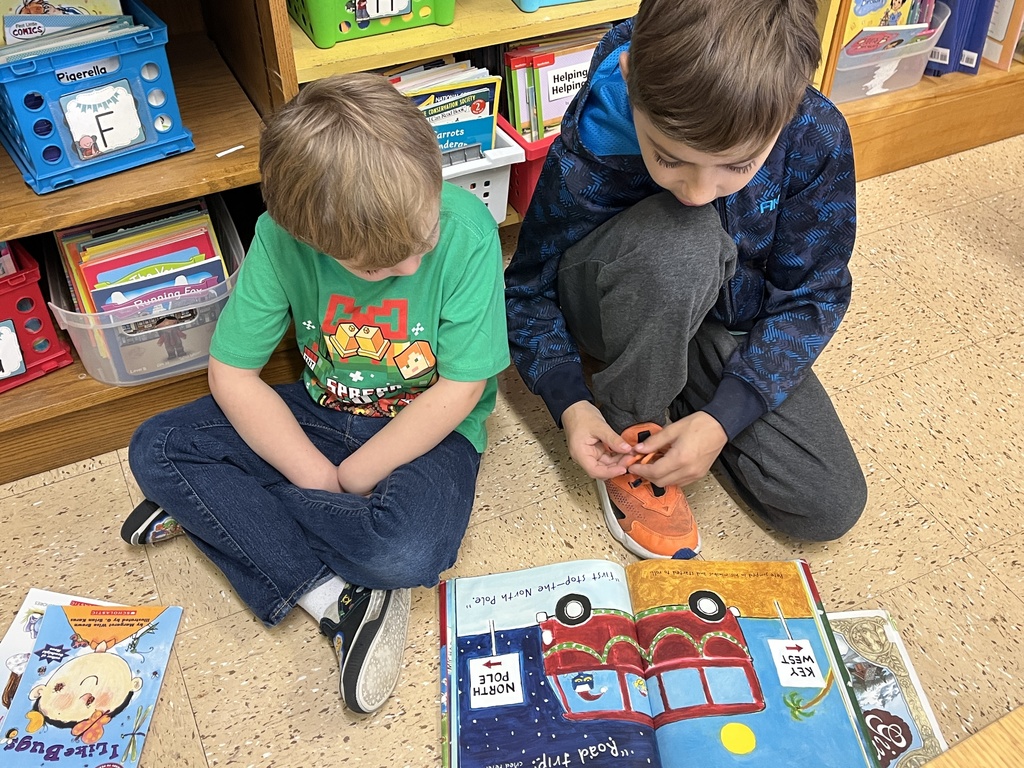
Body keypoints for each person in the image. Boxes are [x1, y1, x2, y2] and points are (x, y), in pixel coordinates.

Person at [123, 73, 509, 714]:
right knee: (157, 448)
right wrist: (315, 476)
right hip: (323, 410)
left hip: (429, 428)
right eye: (379, 269)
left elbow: (462, 387)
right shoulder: (280, 237)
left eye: (420, 243)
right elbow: (233, 374)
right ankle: (330, 595)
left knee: (410, 550)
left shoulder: (465, 230)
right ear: (309, 237)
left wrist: (356, 474)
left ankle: (221, 512)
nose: (409, 269)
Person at [505, 0, 867, 561]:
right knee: (685, 238)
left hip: (720, 321)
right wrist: (572, 401)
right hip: (610, 293)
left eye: (738, 166)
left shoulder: (815, 135)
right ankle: (635, 428)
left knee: (827, 502)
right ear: (631, 81)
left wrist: (723, 419)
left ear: (791, 105)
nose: (697, 190)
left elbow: (813, 295)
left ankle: (677, 388)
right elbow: (526, 289)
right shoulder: (608, 112)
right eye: (668, 157)